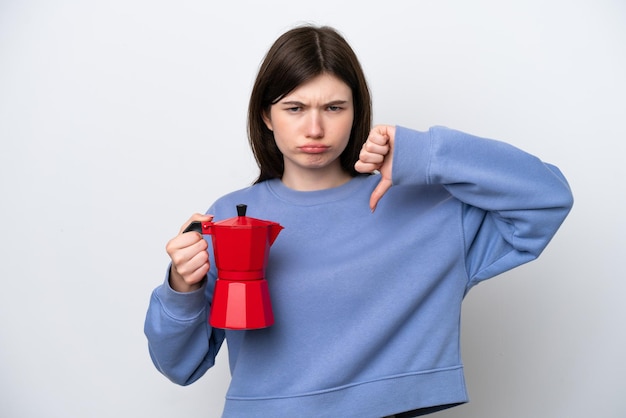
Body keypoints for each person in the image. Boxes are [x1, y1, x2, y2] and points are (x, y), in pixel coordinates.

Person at [144, 25, 573, 418]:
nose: (314, 128)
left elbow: (547, 198)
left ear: (357, 112)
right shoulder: (228, 217)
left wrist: (422, 154)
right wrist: (182, 288)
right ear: (265, 116)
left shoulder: (428, 211)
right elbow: (180, 367)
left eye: (333, 107)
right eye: (294, 107)